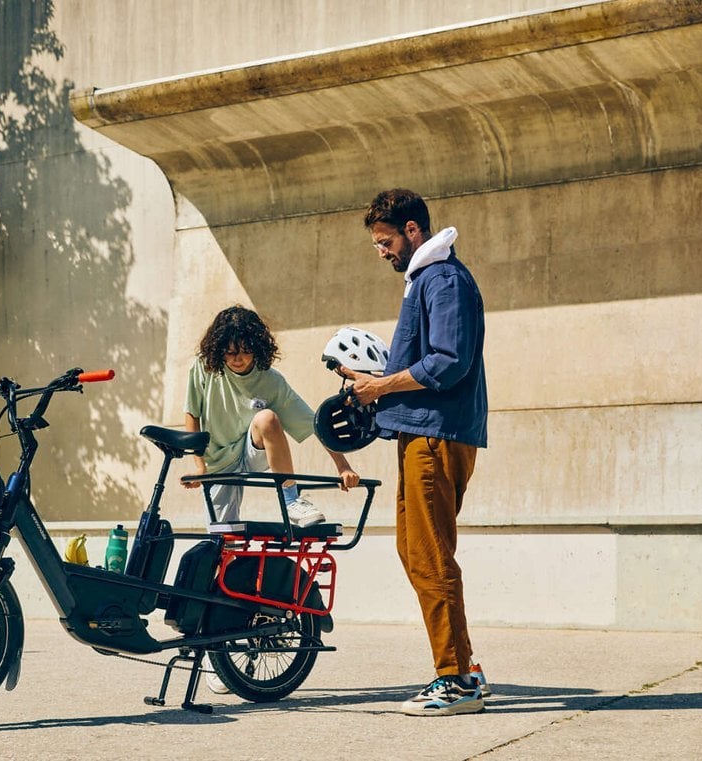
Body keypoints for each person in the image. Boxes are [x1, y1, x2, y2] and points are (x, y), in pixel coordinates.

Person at [336, 188, 489, 716]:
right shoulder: (427, 279)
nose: (381, 251)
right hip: (424, 433)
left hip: (437, 435)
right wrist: (372, 381)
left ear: (412, 230)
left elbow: (449, 361)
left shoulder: (442, 279)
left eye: (385, 241)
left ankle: (456, 680)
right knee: (416, 549)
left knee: (429, 553)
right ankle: (464, 666)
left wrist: (380, 388)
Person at [182, 305, 360, 528]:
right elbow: (192, 414)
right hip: (218, 461)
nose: (238, 359)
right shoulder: (204, 368)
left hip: (251, 451)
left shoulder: (271, 381)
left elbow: (315, 424)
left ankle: (291, 499)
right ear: (219, 350)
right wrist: (199, 466)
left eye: (245, 351)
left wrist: (343, 466)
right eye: (230, 352)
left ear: (257, 348)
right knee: (220, 539)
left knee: (267, 418)